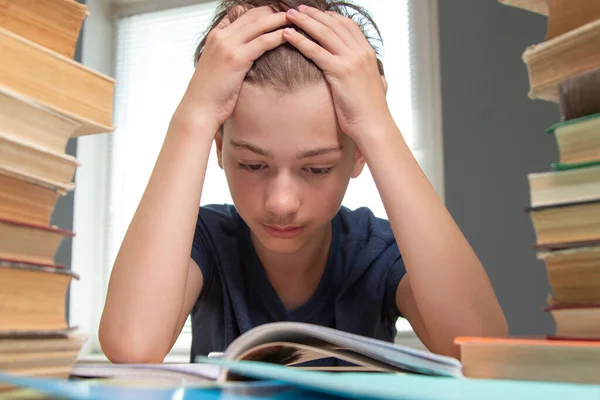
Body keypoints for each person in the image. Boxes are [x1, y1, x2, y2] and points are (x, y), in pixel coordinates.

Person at [99, 0, 508, 364]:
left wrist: (378, 126)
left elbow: (480, 348)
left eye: (316, 169)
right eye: (252, 165)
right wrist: (195, 114)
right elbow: (132, 345)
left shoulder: (378, 253)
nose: (280, 203)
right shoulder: (204, 240)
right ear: (219, 146)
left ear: (358, 152)